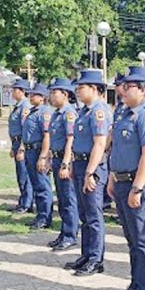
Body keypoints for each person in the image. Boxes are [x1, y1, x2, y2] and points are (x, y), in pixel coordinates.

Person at [108, 66, 145, 290]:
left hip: (140, 184)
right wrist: (112, 177)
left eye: (128, 86)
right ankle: (135, 284)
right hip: (121, 182)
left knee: (142, 240)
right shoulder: (124, 114)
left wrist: (137, 188)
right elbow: (117, 149)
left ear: (142, 89)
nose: (122, 90)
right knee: (131, 239)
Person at [66, 70, 111, 275]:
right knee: (84, 213)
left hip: (92, 167)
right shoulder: (84, 111)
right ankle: (86, 254)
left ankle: (96, 258)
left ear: (94, 89)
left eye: (81, 87)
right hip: (80, 163)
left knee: (93, 215)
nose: (77, 91)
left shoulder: (99, 111)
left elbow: (100, 143)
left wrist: (90, 172)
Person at [47, 78, 79, 250]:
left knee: (69, 199)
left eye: (54, 92)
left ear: (65, 94)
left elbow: (70, 140)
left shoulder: (69, 114)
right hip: (57, 157)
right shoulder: (57, 113)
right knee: (61, 197)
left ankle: (70, 235)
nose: (51, 96)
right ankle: (64, 231)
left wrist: (66, 163)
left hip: (65, 159)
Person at [18, 83, 53, 231]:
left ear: (42, 97)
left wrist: (43, 156)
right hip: (30, 150)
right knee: (36, 184)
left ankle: (45, 217)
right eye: (30, 94)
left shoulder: (44, 112)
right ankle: (40, 215)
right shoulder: (33, 111)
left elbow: (47, 135)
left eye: (34, 94)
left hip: (38, 151)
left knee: (42, 186)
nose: (31, 96)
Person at [7, 79, 34, 214]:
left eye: (14, 90)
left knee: (25, 175)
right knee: (20, 174)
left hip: (22, 142)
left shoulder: (25, 107)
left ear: (22, 91)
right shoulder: (19, 106)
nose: (12, 92)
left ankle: (27, 203)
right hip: (16, 142)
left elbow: (26, 129)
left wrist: (21, 148)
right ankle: (23, 201)